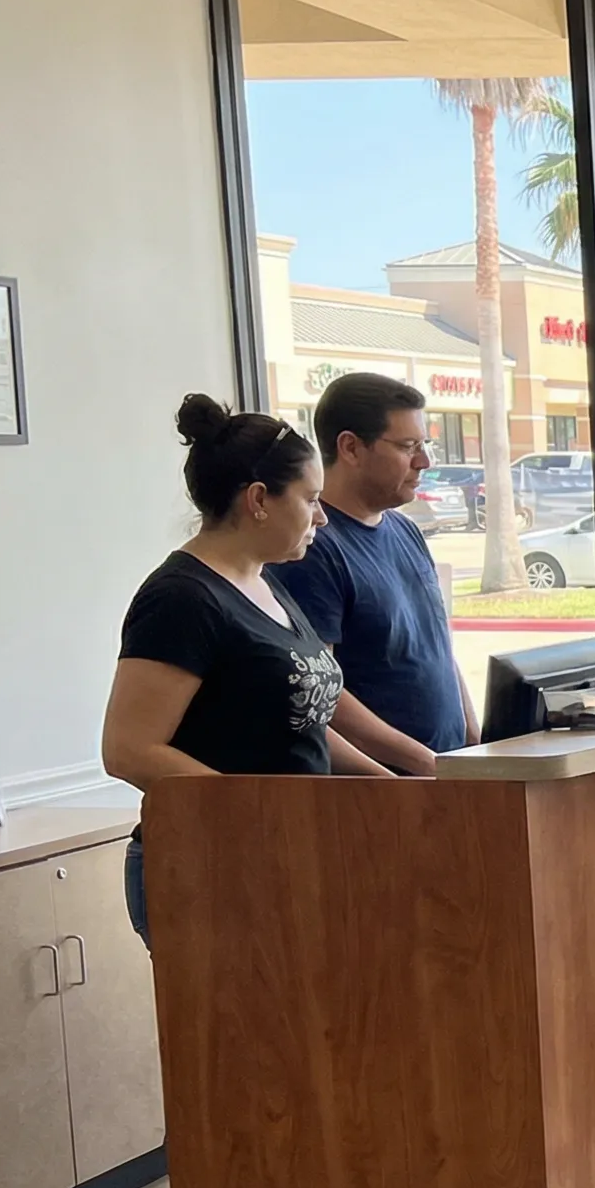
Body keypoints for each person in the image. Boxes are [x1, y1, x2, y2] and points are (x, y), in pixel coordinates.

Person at [104, 396, 393, 943]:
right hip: (213, 866)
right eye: (310, 499)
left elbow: (296, 723)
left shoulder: (266, 583)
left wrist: (395, 788)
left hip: (290, 852)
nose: (322, 516)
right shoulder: (182, 599)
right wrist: (262, 818)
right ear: (259, 499)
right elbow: (129, 750)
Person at [270, 372, 476, 774]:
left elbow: (435, 646)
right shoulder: (311, 550)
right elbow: (323, 692)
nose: (425, 461)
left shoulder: (405, 530)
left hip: (445, 773)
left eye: (425, 445)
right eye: (407, 446)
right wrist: (421, 762)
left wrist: (470, 732)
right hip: (382, 790)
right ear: (350, 447)